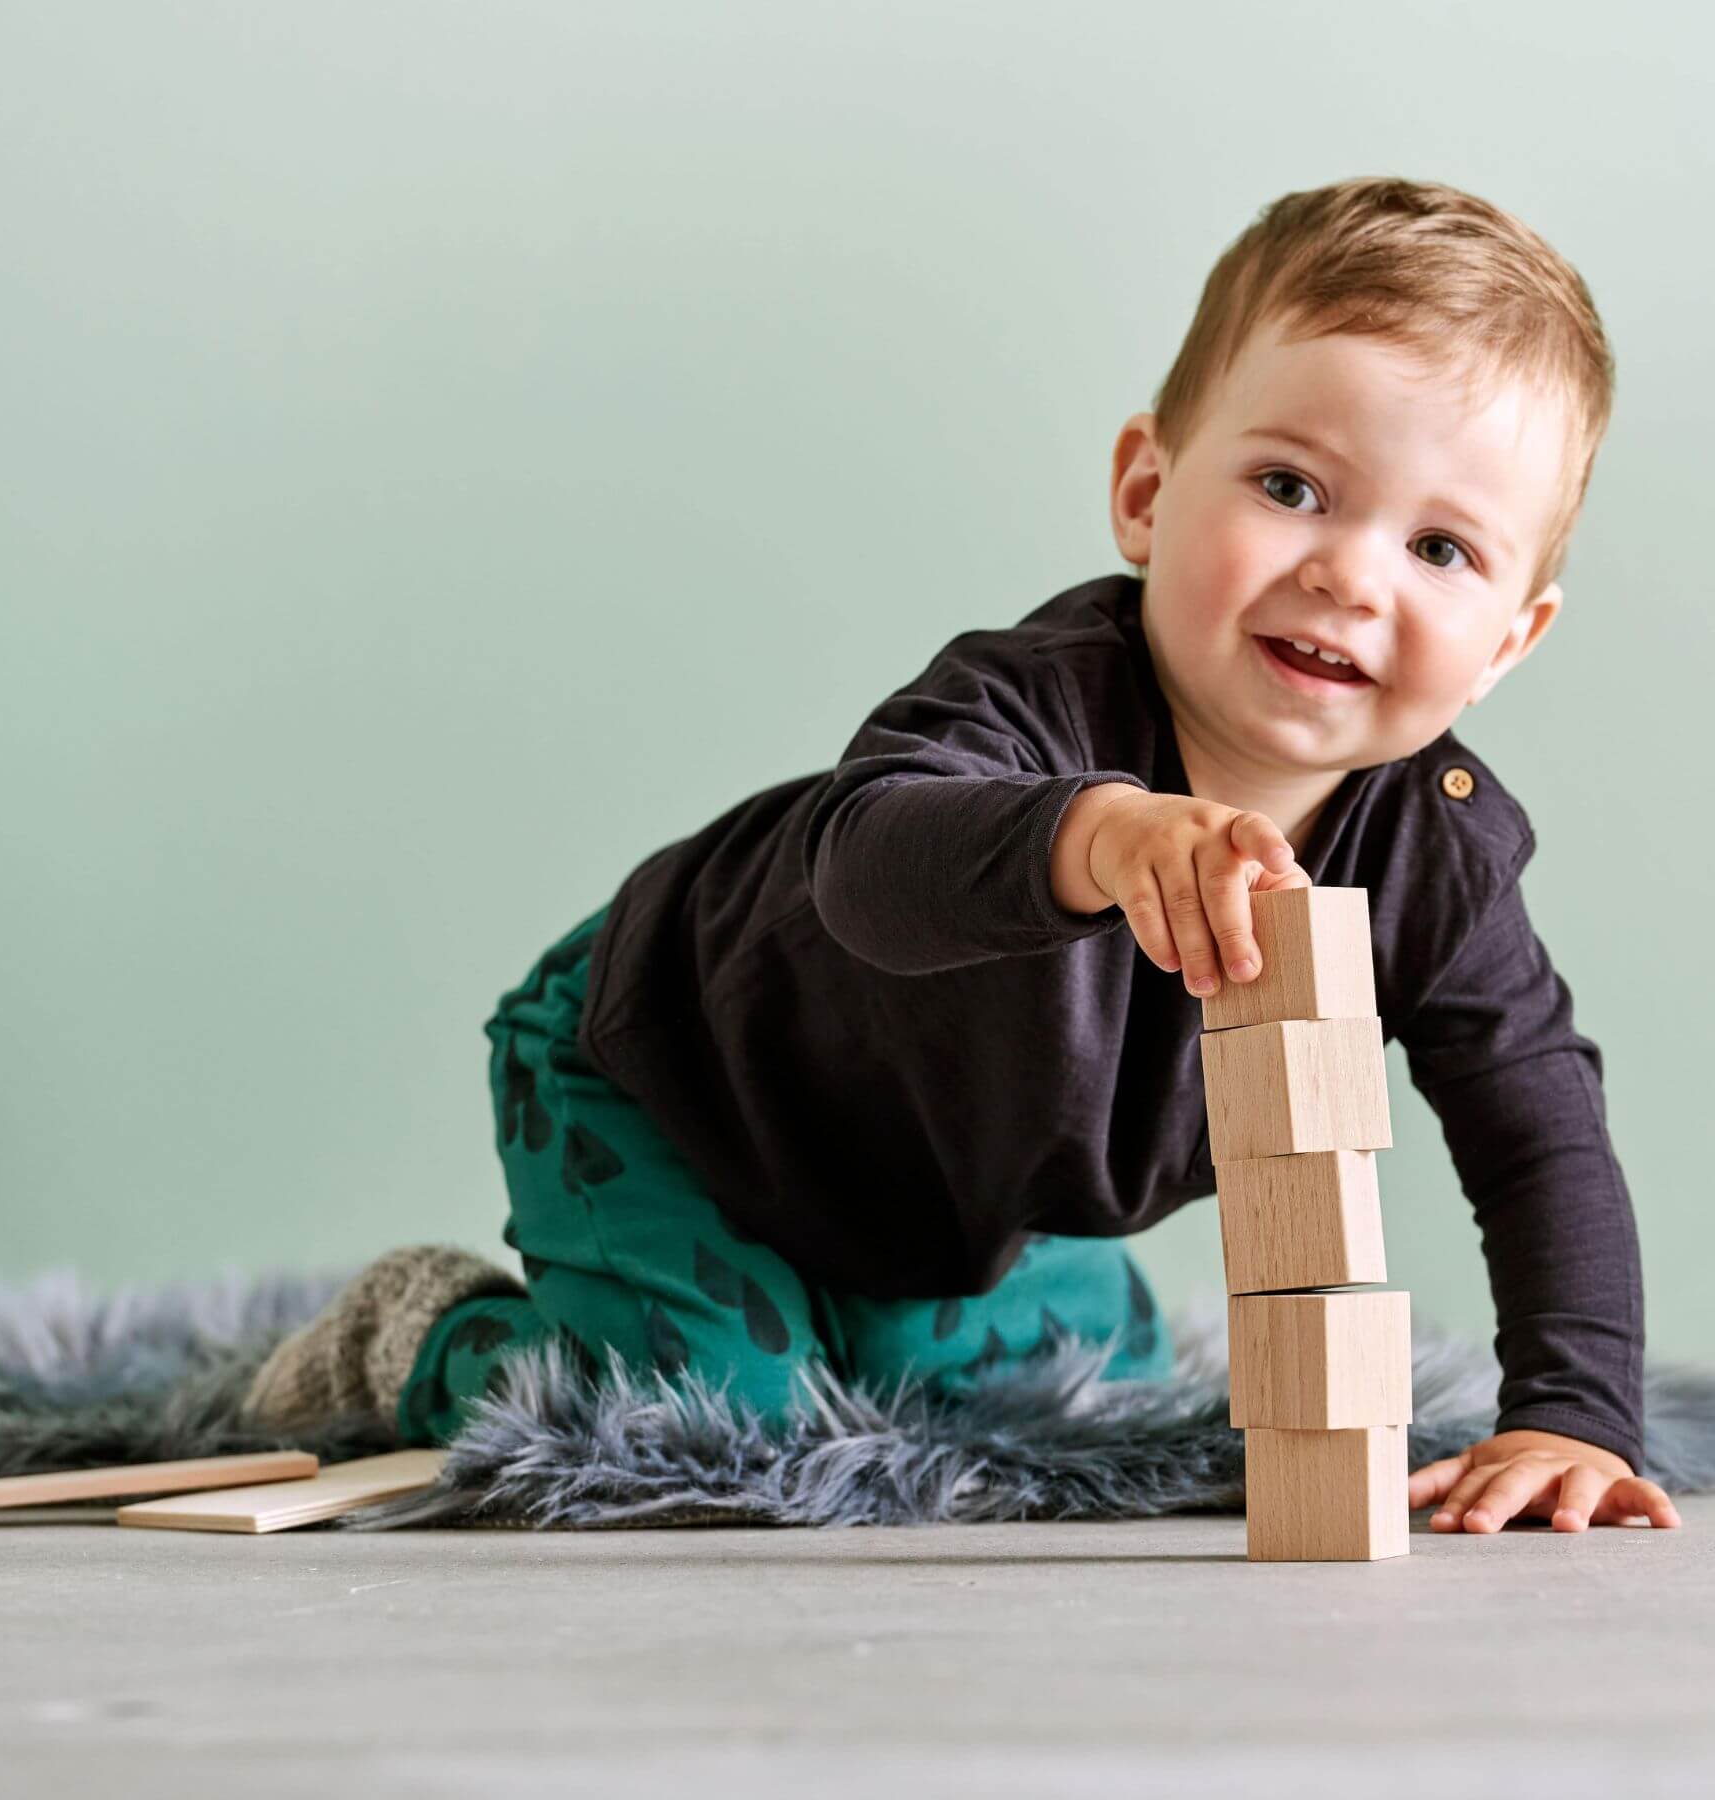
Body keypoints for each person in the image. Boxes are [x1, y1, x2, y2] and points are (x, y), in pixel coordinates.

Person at [244, 175, 1682, 1537]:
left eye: (1442, 550)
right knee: (708, 1438)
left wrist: (1577, 1414)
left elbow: (1536, 1122)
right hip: (675, 1068)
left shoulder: (1435, 856)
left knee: (1044, 1403)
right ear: (1145, 490)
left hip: (942, 1182)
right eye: (1293, 488)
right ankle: (425, 1334)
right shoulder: (1032, 701)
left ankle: (898, 1298)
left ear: (1509, 642)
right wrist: (1096, 832)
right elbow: (861, 861)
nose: (1351, 573)